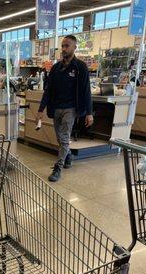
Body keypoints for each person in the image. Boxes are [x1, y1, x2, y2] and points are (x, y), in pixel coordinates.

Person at [37, 35, 93, 182]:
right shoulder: (56, 68)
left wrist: (89, 112)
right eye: (62, 46)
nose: (63, 49)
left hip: (71, 108)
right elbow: (48, 90)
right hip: (56, 108)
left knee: (64, 137)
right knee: (60, 139)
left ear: (74, 47)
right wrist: (40, 110)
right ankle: (68, 155)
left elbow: (86, 91)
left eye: (67, 46)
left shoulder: (80, 67)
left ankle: (58, 168)